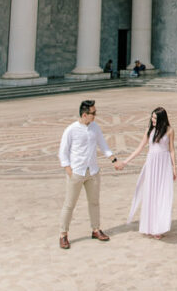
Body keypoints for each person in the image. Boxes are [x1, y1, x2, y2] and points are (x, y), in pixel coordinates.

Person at [57, 99, 123, 250]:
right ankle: (63, 234)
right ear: (85, 114)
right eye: (93, 113)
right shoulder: (71, 130)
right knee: (69, 205)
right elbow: (63, 153)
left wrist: (114, 160)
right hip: (76, 172)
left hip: (93, 171)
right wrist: (69, 171)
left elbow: (103, 145)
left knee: (94, 202)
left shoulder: (95, 127)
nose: (95, 115)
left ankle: (96, 229)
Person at [121, 106, 177, 238]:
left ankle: (159, 227)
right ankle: (149, 226)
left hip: (164, 165)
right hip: (152, 165)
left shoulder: (169, 131)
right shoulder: (149, 131)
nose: (152, 120)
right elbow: (140, 148)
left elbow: (172, 150)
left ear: (162, 119)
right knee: (151, 194)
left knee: (163, 194)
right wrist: (125, 161)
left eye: (155, 118)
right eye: (152, 117)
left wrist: (174, 168)